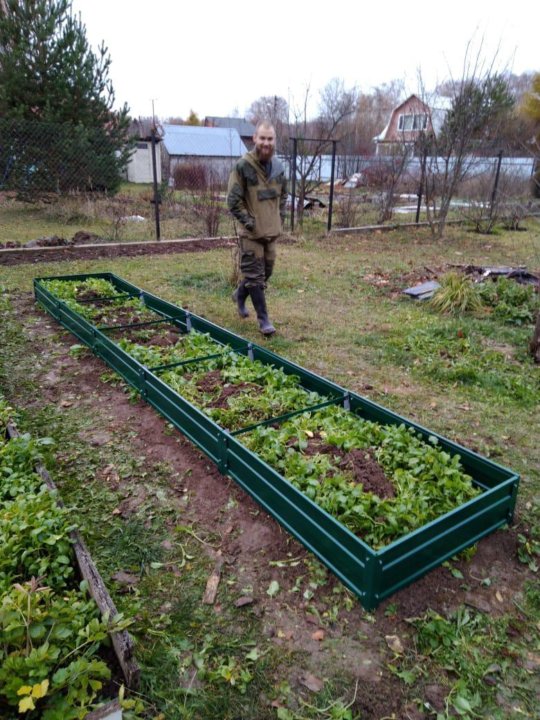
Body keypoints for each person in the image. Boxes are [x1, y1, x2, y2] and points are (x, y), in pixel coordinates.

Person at [227, 121, 287, 335]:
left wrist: (279, 218)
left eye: (270, 139)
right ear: (254, 138)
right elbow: (233, 200)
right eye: (262, 138)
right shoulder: (243, 166)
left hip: (271, 233)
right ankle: (264, 321)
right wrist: (250, 222)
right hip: (251, 234)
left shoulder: (279, 168)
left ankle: (241, 294)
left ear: (274, 141)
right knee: (255, 277)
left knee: (266, 273)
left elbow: (284, 196)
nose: (266, 143)